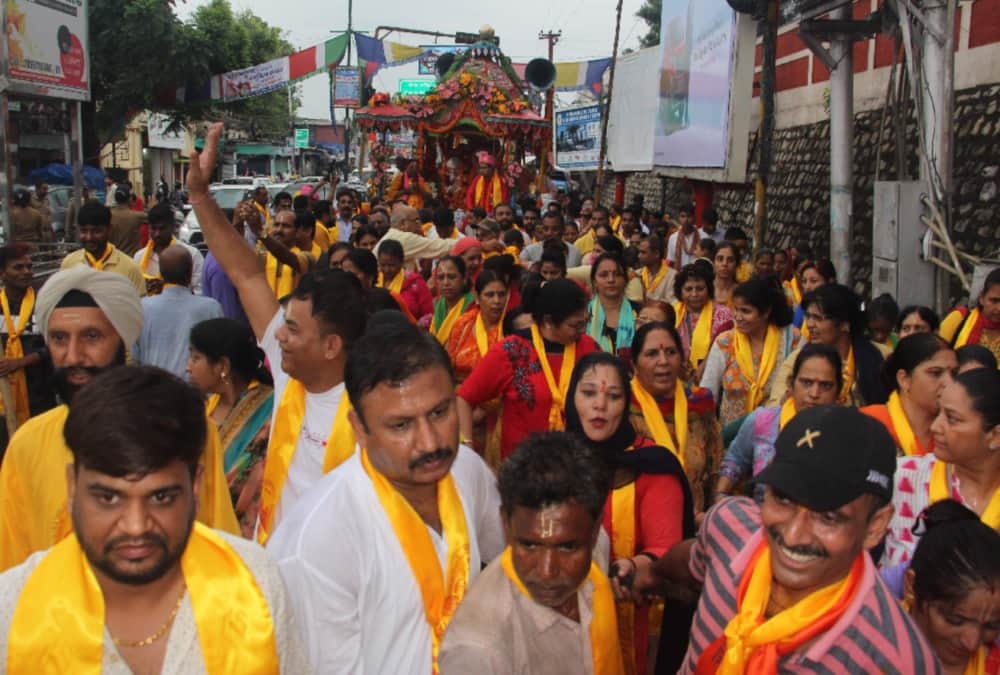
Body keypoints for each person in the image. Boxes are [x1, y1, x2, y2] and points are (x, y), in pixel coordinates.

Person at [0, 366, 309, 672]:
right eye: (109, 498)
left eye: (161, 498)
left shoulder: (254, 584)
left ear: (196, 486)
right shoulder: (15, 607)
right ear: (71, 486)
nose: (136, 525)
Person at [268, 316, 505, 673]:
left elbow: (512, 559)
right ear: (359, 429)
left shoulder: (466, 470)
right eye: (401, 425)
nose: (430, 442)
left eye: (439, 412)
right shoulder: (319, 541)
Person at [638, 405, 941, 674]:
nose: (793, 536)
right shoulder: (730, 529)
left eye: (829, 517)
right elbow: (684, 565)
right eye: (782, 499)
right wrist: (644, 574)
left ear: (875, 526)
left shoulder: (894, 661)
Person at [185, 122, 368, 544]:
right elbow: (246, 274)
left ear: (331, 346)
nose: (277, 338)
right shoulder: (290, 375)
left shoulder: (371, 410)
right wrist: (199, 196)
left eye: (291, 329)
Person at [0, 266, 238, 571]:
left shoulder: (181, 427)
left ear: (122, 340)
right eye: (59, 338)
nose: (73, 356)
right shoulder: (27, 443)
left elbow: (217, 547)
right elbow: (13, 560)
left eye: (91, 336)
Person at [438, 432, 624, 675]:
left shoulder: (596, 545)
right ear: (505, 524)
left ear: (595, 529)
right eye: (529, 545)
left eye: (567, 547)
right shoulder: (478, 650)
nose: (546, 571)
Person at [565, 353, 695, 674]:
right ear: (572, 399)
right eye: (589, 393)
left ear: (626, 404)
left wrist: (632, 568)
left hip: (632, 626)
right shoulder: (552, 458)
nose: (600, 405)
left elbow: (666, 549)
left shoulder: (652, 464)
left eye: (613, 396)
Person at [458, 278, 599, 461]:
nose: (582, 330)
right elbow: (464, 399)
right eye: (574, 325)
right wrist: (467, 450)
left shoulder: (589, 348)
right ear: (548, 321)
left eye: (585, 323)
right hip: (524, 472)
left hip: (577, 467)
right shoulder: (512, 350)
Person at [883, 368, 1000, 566]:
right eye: (939, 414)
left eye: (952, 419)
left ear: (996, 436)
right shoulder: (904, 477)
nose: (935, 427)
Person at [715, 343, 842, 502]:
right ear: (791, 384)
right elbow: (735, 458)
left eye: (825, 386)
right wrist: (720, 496)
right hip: (760, 520)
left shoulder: (844, 435)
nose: (814, 393)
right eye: (806, 383)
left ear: (838, 392)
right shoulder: (764, 421)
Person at [188, 318, 275, 538]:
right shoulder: (207, 407)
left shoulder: (267, 410)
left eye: (195, 357)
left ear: (223, 366)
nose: (188, 366)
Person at [896, 500, 1000, 675]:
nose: (972, 643)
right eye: (955, 620)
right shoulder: (861, 652)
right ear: (911, 586)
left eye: (991, 626)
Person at [627, 321, 721, 514]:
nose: (663, 361)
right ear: (634, 363)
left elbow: (715, 468)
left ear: (682, 358)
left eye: (671, 352)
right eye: (652, 354)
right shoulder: (621, 405)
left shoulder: (699, 402)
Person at [769, 282, 890, 408]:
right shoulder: (797, 359)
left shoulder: (882, 356)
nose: (809, 324)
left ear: (845, 324)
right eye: (808, 316)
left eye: (817, 318)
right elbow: (773, 409)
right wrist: (788, 402)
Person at [699, 279, 799, 427]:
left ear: (766, 312)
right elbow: (707, 393)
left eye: (745, 311)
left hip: (775, 434)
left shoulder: (791, 340)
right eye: (736, 309)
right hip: (730, 440)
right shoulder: (725, 342)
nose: (738, 317)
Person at [861, 333, 957, 457]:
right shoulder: (867, 423)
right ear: (904, 379)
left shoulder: (957, 432)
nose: (950, 382)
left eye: (955, 373)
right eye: (936, 373)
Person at [134, 246, 223, 377]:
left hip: (152, 389)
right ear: (190, 274)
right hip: (195, 391)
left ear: (161, 274)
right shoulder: (210, 308)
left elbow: (135, 355)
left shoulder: (142, 307)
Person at [0, 245, 54, 436]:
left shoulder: (45, 304)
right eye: (18, 267)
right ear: (2, 273)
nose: (26, 272)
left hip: (40, 395)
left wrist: (21, 362)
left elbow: (55, 346)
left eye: (29, 267)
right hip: (4, 399)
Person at [60, 202, 145, 296]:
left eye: (96, 231)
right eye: (84, 231)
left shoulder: (130, 269)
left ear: (110, 230)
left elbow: (139, 307)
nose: (89, 237)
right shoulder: (69, 263)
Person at [672, 262, 734, 375]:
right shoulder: (672, 312)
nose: (694, 294)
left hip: (712, 375)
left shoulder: (723, 315)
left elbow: (725, 351)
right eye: (688, 289)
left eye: (700, 288)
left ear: (709, 289)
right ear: (680, 292)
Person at [134, 203, 205, 295]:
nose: (157, 234)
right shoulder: (139, 257)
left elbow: (200, 291)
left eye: (162, 229)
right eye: (153, 229)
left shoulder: (192, 254)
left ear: (172, 227)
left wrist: (167, 290)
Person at [940, 268, 1000, 364]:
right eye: (994, 300)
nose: (999, 308)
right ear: (981, 298)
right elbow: (934, 357)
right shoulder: (959, 318)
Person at [587, 252, 641, 360]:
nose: (611, 280)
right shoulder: (583, 313)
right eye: (604, 275)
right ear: (594, 281)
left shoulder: (640, 312)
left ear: (625, 280)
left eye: (617, 274)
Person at [377, 238, 433, 318]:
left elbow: (429, 314)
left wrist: (417, 326)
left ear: (401, 262)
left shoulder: (415, 282)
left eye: (391, 265)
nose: (387, 270)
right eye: (383, 265)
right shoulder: (374, 281)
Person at [430, 255, 475, 343]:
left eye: (451, 277)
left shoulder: (473, 305)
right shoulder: (439, 305)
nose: (446, 283)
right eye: (441, 278)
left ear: (464, 278)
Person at [638, 235, 676, 304]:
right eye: (639, 252)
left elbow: (671, 305)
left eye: (643, 252)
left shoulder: (673, 276)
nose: (639, 256)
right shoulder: (637, 274)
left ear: (656, 254)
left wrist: (645, 297)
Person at [108, 185, 146, 256]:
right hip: (132, 259)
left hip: (113, 258)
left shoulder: (108, 215)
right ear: (129, 199)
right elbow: (156, 218)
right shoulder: (137, 216)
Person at [666, 204, 698, 269]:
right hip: (678, 275)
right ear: (679, 218)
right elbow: (671, 261)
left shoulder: (702, 237)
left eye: (689, 216)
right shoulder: (673, 238)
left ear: (694, 218)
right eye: (683, 216)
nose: (686, 220)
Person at [712, 241, 740, 308]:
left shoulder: (742, 292)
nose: (724, 264)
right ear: (713, 262)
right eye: (720, 259)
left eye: (730, 260)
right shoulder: (703, 290)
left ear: (737, 264)